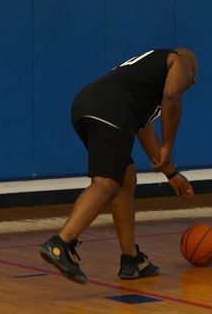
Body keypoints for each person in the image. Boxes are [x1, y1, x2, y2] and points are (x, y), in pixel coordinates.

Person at [39, 48, 197, 284]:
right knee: (107, 183)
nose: (187, 86)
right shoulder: (180, 61)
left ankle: (131, 258)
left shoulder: (142, 81)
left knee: (125, 177)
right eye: (190, 83)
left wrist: (171, 173)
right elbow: (172, 96)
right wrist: (169, 144)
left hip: (87, 106)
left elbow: (145, 135)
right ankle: (62, 243)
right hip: (110, 111)